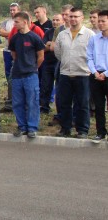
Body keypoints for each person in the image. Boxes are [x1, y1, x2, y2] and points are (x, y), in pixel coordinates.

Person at [54, 8, 94, 138]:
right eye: (71, 16)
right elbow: (58, 53)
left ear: (82, 18)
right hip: (65, 74)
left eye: (76, 16)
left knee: (82, 104)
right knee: (64, 103)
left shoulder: (89, 35)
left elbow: (94, 54)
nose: (73, 19)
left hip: (83, 74)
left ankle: (82, 130)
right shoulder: (62, 34)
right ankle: (65, 128)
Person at [8, 12, 45, 138]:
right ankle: (22, 126)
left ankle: (32, 128)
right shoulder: (14, 38)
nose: (14, 24)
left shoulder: (35, 38)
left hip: (30, 75)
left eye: (17, 22)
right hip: (17, 75)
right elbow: (13, 54)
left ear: (25, 22)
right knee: (17, 102)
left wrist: (33, 67)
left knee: (32, 101)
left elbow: (41, 56)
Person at [87, 10, 108, 143]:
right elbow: (89, 57)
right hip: (96, 76)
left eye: (103, 21)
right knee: (99, 107)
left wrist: (105, 74)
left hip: (106, 74)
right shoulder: (94, 39)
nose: (100, 23)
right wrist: (94, 72)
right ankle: (100, 132)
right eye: (99, 21)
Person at [0, 2, 21, 112]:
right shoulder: (6, 22)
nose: (12, 12)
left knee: (17, 75)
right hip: (7, 51)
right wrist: (12, 33)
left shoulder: (21, 21)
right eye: (11, 10)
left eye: (14, 10)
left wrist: (9, 34)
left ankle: (16, 98)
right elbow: (1, 32)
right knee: (8, 74)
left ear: (18, 10)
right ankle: (10, 95)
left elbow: (11, 34)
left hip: (18, 52)